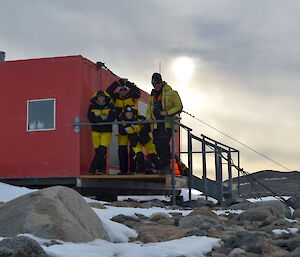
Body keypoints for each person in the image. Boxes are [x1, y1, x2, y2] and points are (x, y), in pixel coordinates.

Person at [146, 72, 183, 172]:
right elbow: (149, 109)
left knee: (164, 145)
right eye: (153, 84)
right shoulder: (152, 95)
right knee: (157, 145)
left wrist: (167, 113)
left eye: (157, 83)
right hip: (156, 125)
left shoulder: (172, 92)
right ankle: (161, 167)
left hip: (167, 125)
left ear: (161, 82)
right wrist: (148, 117)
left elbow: (179, 106)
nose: (155, 86)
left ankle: (166, 167)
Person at [107, 78, 141, 174]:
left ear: (128, 90)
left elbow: (137, 91)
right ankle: (123, 171)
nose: (123, 91)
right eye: (121, 89)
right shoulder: (115, 98)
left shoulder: (133, 97)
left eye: (125, 89)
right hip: (121, 126)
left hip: (133, 126)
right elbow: (108, 91)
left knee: (133, 150)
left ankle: (133, 170)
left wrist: (127, 83)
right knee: (122, 150)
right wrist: (117, 83)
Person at [119, 105, 160, 174]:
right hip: (135, 142)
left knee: (153, 155)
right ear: (125, 114)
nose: (129, 114)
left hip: (146, 140)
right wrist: (137, 128)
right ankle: (141, 171)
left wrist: (135, 129)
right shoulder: (122, 122)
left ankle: (160, 169)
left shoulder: (140, 118)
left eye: (131, 112)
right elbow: (122, 132)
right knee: (139, 155)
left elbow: (148, 127)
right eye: (127, 113)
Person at [87, 90, 116, 175]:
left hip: (106, 132)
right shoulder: (92, 106)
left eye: (103, 97)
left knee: (102, 150)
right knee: (99, 152)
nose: (101, 99)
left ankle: (92, 169)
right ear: (97, 98)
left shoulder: (110, 105)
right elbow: (90, 118)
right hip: (95, 132)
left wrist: (99, 119)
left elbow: (112, 117)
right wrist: (102, 118)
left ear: (105, 97)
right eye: (99, 97)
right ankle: (102, 170)